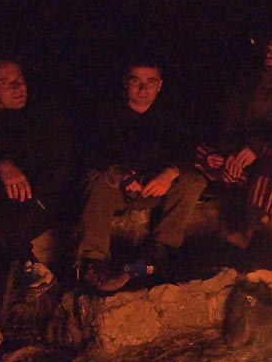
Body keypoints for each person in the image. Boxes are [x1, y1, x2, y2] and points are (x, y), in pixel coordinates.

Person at [0, 57, 73, 360]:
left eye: (20, 79)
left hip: (42, 202)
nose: (17, 87)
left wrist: (25, 190)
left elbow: (57, 174)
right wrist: (1, 164)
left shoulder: (45, 118)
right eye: (5, 82)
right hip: (3, 212)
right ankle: (28, 263)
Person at [77, 60, 206, 292]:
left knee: (194, 180)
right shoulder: (106, 114)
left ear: (160, 85)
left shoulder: (170, 117)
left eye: (150, 82)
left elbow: (187, 151)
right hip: (119, 191)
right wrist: (120, 174)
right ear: (125, 83)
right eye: (136, 81)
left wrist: (169, 173)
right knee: (99, 181)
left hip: (153, 189)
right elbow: (92, 154)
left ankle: (160, 250)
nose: (143, 89)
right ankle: (94, 262)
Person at [194, 36, 272, 249]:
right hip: (241, 153)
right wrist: (231, 153)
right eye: (268, 49)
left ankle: (248, 231)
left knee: (269, 165)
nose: (270, 54)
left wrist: (257, 148)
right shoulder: (246, 85)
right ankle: (234, 177)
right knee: (205, 154)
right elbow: (229, 124)